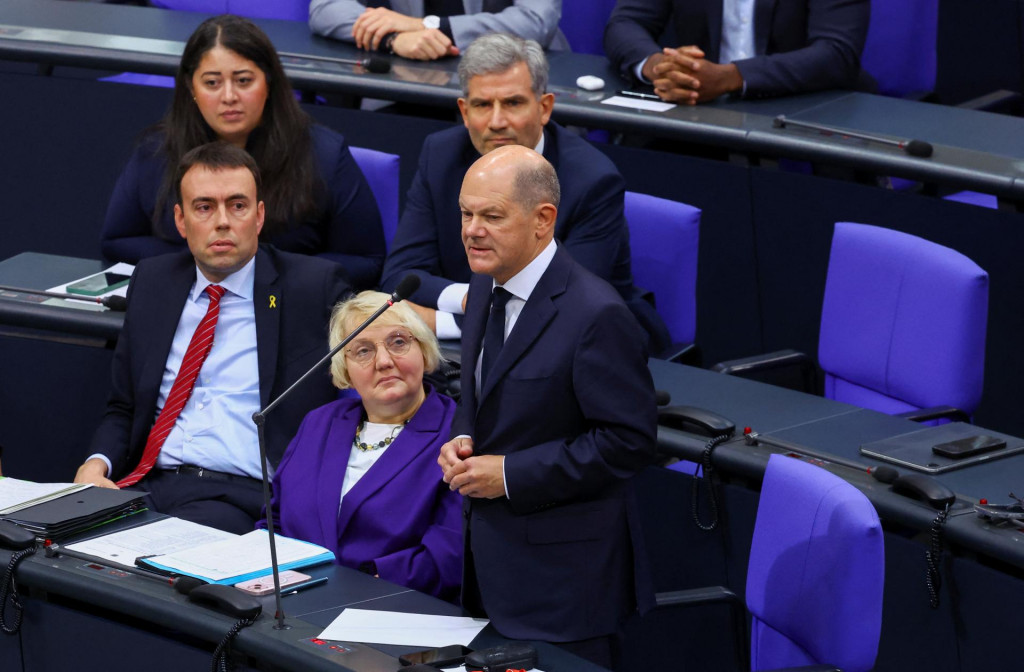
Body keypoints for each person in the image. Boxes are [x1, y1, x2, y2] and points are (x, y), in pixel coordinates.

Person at [438, 145, 657, 668]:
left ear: (543, 220)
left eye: (491, 216)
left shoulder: (596, 314)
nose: (471, 230)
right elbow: (483, 395)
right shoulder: (485, 284)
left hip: (566, 591)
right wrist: (463, 437)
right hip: (490, 572)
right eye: (466, 214)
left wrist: (511, 473)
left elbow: (629, 442)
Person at [75, 142, 352, 535]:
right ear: (181, 220)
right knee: (39, 553)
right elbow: (123, 406)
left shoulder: (313, 287)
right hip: (146, 483)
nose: (222, 221)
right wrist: (95, 464)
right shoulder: (154, 281)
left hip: (241, 495)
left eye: (237, 206)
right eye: (204, 207)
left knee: (149, 562)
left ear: (258, 216)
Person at [380, 32, 669, 350]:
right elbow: (401, 274)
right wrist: (471, 301)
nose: (497, 121)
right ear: (464, 112)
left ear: (544, 108)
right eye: (482, 105)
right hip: (470, 351)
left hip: (581, 349)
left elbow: (563, 306)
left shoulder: (593, 181)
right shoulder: (440, 155)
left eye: (513, 103)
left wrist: (441, 320)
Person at [102, 14, 385, 289]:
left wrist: (264, 271)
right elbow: (117, 241)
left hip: (286, 306)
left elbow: (366, 260)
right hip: (187, 300)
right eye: (212, 83)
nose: (228, 97)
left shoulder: (323, 153)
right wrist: (206, 263)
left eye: (243, 81)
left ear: (268, 82)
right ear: (191, 87)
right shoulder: (157, 150)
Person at [263, 291, 462, 601]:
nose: (384, 361)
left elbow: (449, 555)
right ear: (345, 370)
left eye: (398, 342)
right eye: (363, 350)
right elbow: (274, 519)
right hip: (293, 600)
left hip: (393, 608)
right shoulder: (320, 422)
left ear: (424, 352)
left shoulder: (458, 433)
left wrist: (348, 590)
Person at [603, 0, 872, 103]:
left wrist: (731, 77)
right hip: (693, 110)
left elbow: (836, 53)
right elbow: (625, 23)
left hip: (804, 109)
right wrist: (660, 66)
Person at [309, 0, 567, 61]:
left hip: (505, 81)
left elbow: (536, 20)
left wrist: (428, 25)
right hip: (406, 86)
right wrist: (393, 38)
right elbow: (326, 8)